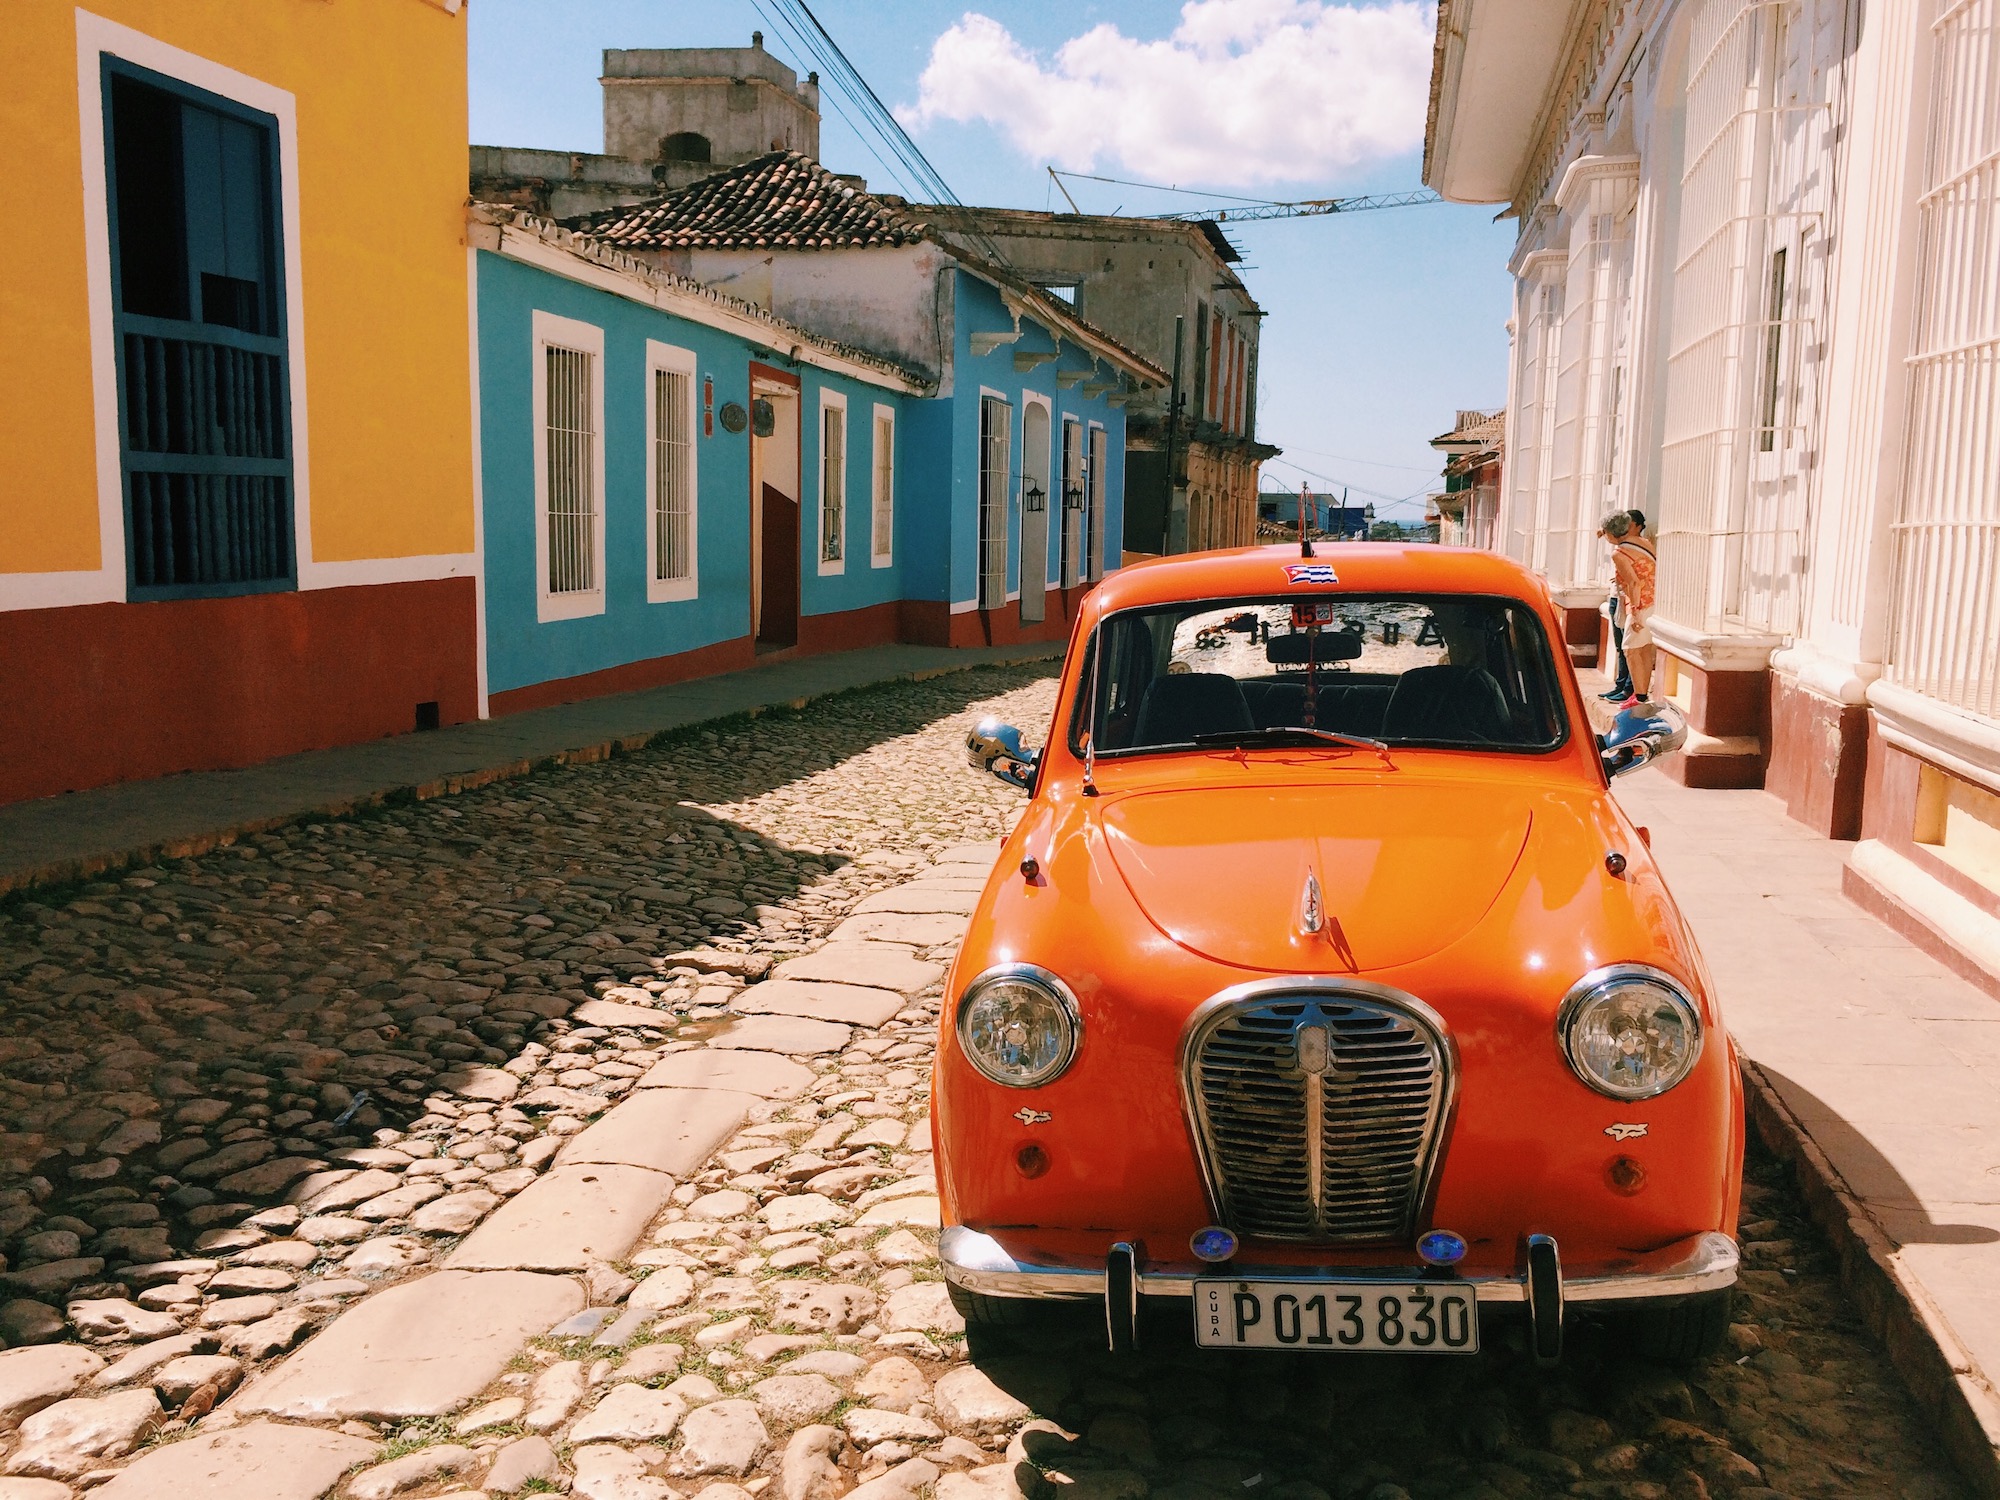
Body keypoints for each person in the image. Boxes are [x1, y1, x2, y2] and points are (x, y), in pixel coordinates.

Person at [1600, 511, 1657, 710]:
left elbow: (1633, 582)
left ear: (1610, 532)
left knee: (1630, 649)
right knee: (1644, 648)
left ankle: (1639, 696)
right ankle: (1641, 694)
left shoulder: (1619, 553)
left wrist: (1634, 612)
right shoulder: (1643, 542)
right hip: (1654, 599)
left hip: (1640, 602)